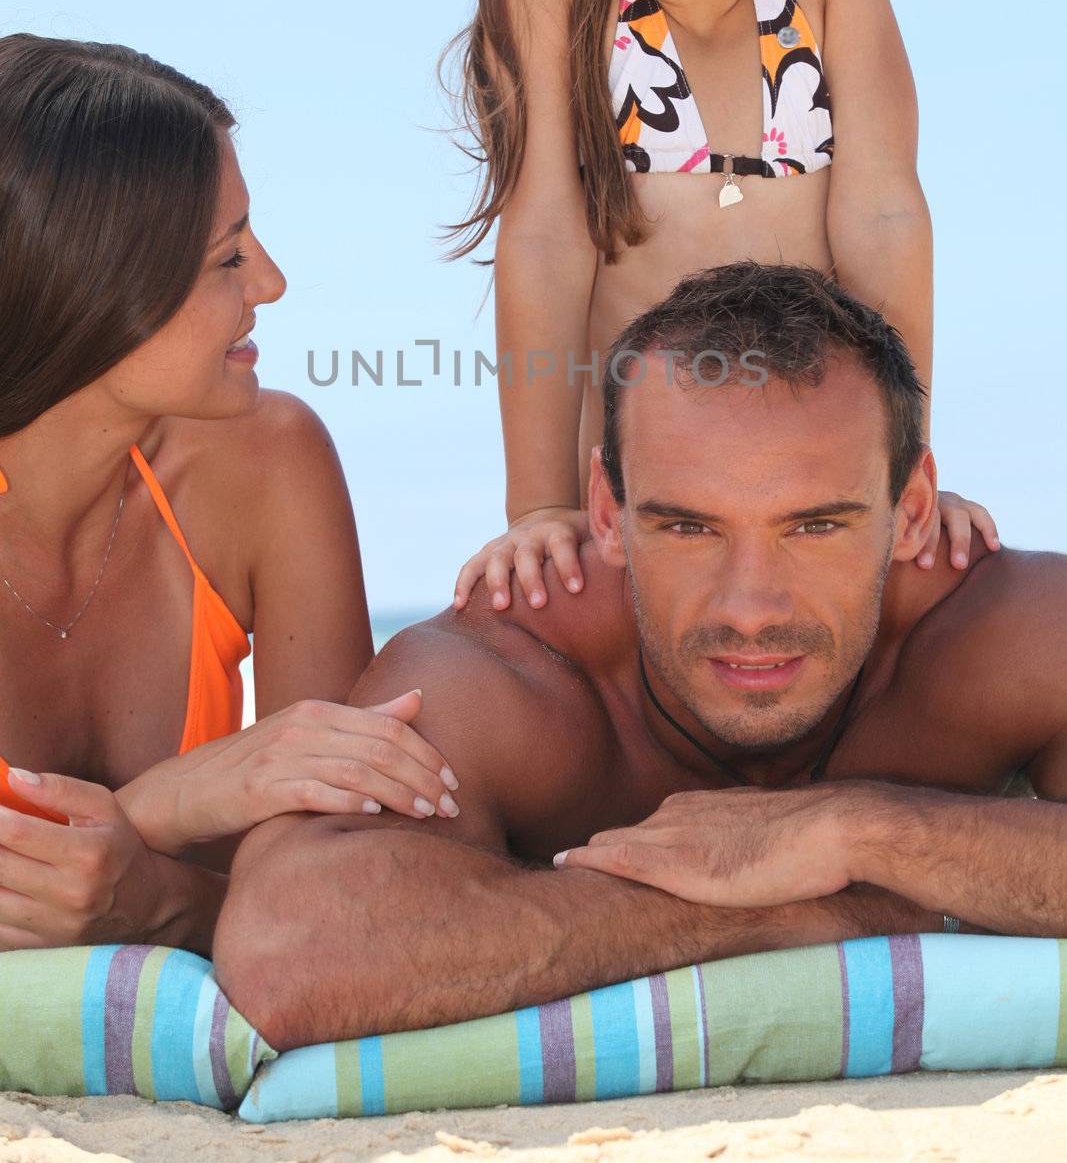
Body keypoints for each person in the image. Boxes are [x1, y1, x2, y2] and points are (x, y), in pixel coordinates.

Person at [213, 262, 1065, 1052]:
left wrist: (860, 831)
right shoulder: (511, 665)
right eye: (687, 528)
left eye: (816, 526)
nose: (750, 608)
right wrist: (777, 907)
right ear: (607, 515)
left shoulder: (996, 630)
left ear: (911, 511)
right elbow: (288, 951)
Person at [445, 0, 996, 616]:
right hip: (634, 481)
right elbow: (541, 241)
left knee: (965, 601)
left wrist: (903, 471)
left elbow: (880, 215)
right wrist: (535, 505)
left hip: (813, 464)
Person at [0, 34, 459, 955]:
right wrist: (174, 803)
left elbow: (345, 880)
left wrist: (155, 893)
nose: (273, 283)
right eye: (227, 258)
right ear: (88, 285)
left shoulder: (263, 464)